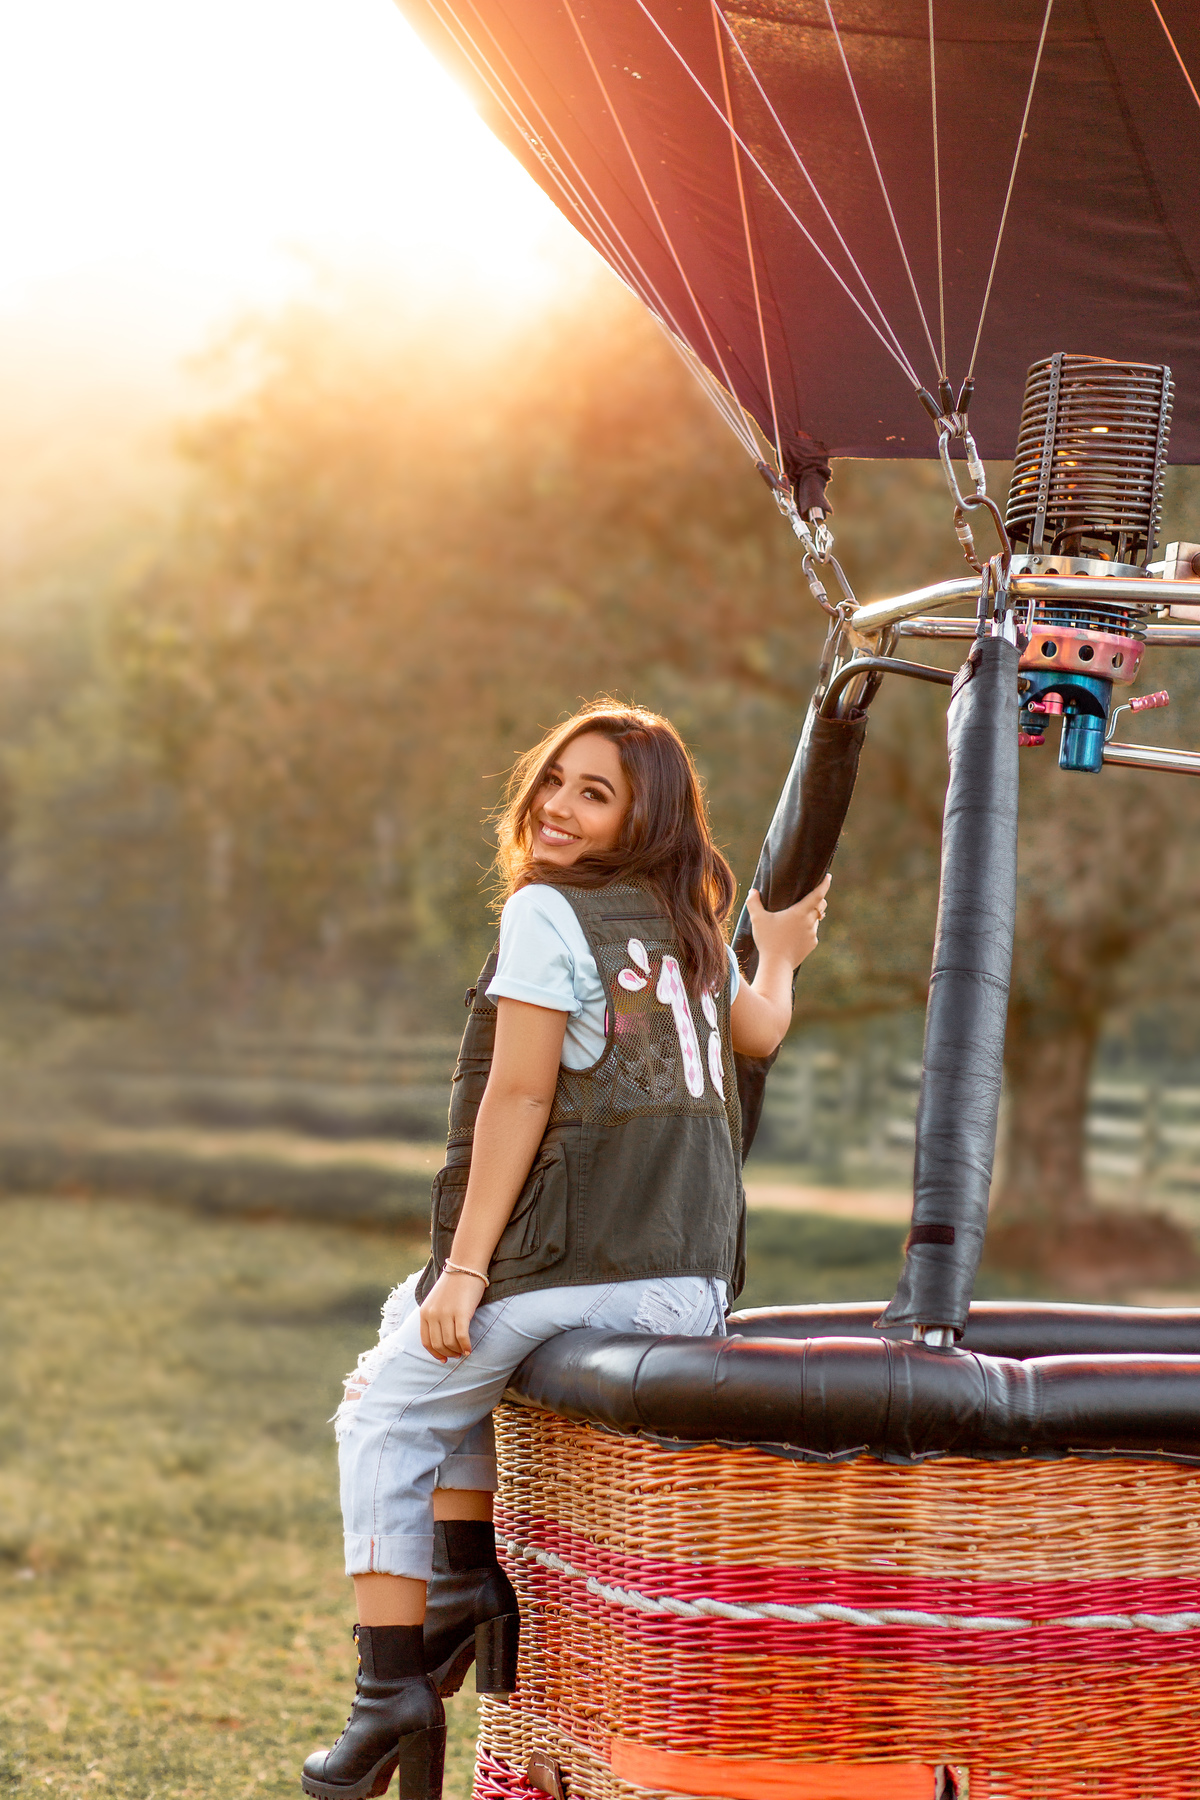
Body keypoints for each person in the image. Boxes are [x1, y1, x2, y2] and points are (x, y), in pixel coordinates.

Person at [301, 702, 831, 1800]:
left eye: (595, 795)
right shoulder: (682, 920)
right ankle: (458, 1583)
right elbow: (760, 1032)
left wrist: (468, 1268)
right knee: (419, 1325)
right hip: (689, 1281)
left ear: (645, 819)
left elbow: (521, 1094)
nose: (558, 807)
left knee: (384, 1410)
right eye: (555, 781)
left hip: (592, 1263)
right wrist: (776, 958)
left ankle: (388, 1690)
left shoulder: (550, 913)